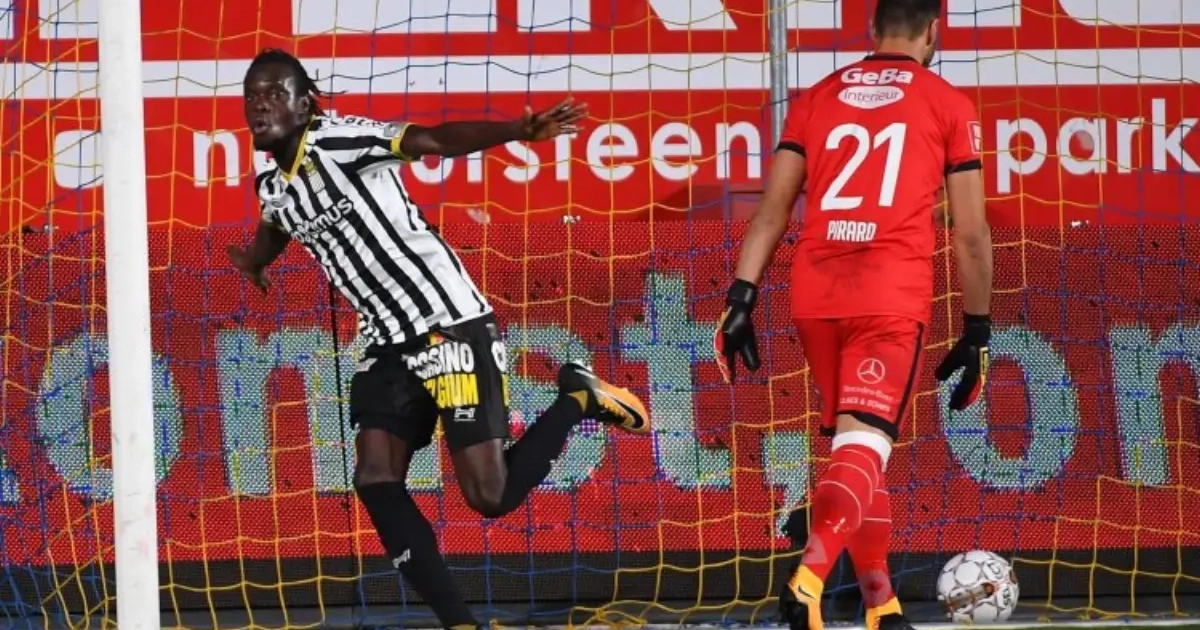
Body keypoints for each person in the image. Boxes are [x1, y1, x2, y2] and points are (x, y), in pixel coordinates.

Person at [227, 48, 651, 629]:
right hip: (385, 340)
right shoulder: (273, 185)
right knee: (375, 477)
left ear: (305, 106)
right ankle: (461, 623)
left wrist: (517, 131)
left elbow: (431, 140)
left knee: (490, 497)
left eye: (275, 93)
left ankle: (578, 396)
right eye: (252, 96)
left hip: (446, 321)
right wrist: (255, 261)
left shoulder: (340, 142)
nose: (260, 105)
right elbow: (277, 221)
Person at [713, 1, 994, 629]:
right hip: (888, 294)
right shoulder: (947, 103)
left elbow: (772, 211)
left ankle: (880, 604)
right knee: (866, 447)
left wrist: (741, 297)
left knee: (856, 450)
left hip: (815, 295)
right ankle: (809, 578)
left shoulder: (816, 97)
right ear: (934, 31)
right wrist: (977, 328)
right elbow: (971, 233)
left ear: (872, 29)